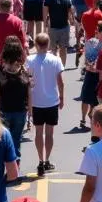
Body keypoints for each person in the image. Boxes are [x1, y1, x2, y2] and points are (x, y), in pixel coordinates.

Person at [26, 32, 65, 177]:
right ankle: (47, 159)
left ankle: (40, 160)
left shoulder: (29, 60)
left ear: (36, 45)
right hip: (51, 101)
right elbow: (60, 82)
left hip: (36, 102)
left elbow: (27, 81)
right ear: (48, 44)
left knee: (38, 133)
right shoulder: (55, 60)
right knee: (49, 133)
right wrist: (62, 97)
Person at [0, 37, 31, 161]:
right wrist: (30, 111)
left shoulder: (0, 75)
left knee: (3, 140)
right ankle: (15, 164)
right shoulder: (24, 74)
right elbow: (29, 94)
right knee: (16, 139)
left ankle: (5, 163)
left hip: (4, 112)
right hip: (20, 111)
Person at [43, 0, 75, 66]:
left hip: (52, 27)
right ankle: (62, 67)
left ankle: (53, 67)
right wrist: (72, 21)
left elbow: (45, 14)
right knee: (63, 49)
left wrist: (45, 25)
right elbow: (70, 14)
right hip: (64, 27)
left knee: (52, 49)